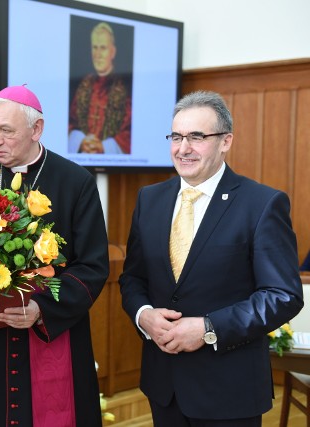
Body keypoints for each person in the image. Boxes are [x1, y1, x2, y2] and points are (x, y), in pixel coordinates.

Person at [119, 90, 303, 426]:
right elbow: (133, 278)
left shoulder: (262, 204)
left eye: (197, 137)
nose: (183, 148)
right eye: (176, 136)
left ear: (226, 141)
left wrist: (207, 328)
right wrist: (144, 315)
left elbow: (282, 296)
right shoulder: (150, 198)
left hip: (230, 391)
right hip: (164, 385)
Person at [0, 85, 109, 426]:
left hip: (52, 332)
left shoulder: (76, 182)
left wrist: (43, 308)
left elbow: (93, 266)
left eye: (6, 131)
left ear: (36, 129)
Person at [68, 22, 132, 154]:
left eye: (103, 48)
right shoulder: (83, 85)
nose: (97, 54)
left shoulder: (126, 88)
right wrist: (81, 141)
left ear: (113, 52)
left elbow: (130, 133)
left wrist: (104, 147)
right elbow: (70, 122)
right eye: (94, 47)